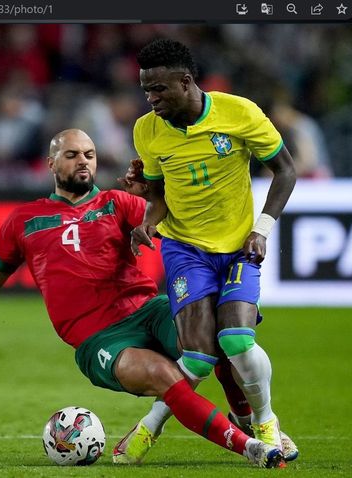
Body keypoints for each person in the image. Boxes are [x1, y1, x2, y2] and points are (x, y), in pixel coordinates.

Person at [0, 129, 284, 468]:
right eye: (72, 155)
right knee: (161, 375)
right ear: (51, 163)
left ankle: (249, 420)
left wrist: (153, 192)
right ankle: (247, 446)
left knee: (219, 337)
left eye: (89, 154)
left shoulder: (118, 203)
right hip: (99, 338)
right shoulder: (24, 220)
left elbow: (178, 224)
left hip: (148, 309)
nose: (83, 160)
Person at [125, 39, 297, 457]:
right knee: (199, 358)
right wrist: (147, 223)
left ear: (185, 82)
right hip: (185, 248)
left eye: (159, 89)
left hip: (240, 246)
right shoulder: (146, 130)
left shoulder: (239, 113)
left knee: (237, 341)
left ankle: (265, 421)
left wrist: (263, 228)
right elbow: (159, 194)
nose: (151, 99)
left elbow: (286, 171)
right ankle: (151, 427)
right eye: (146, 90)